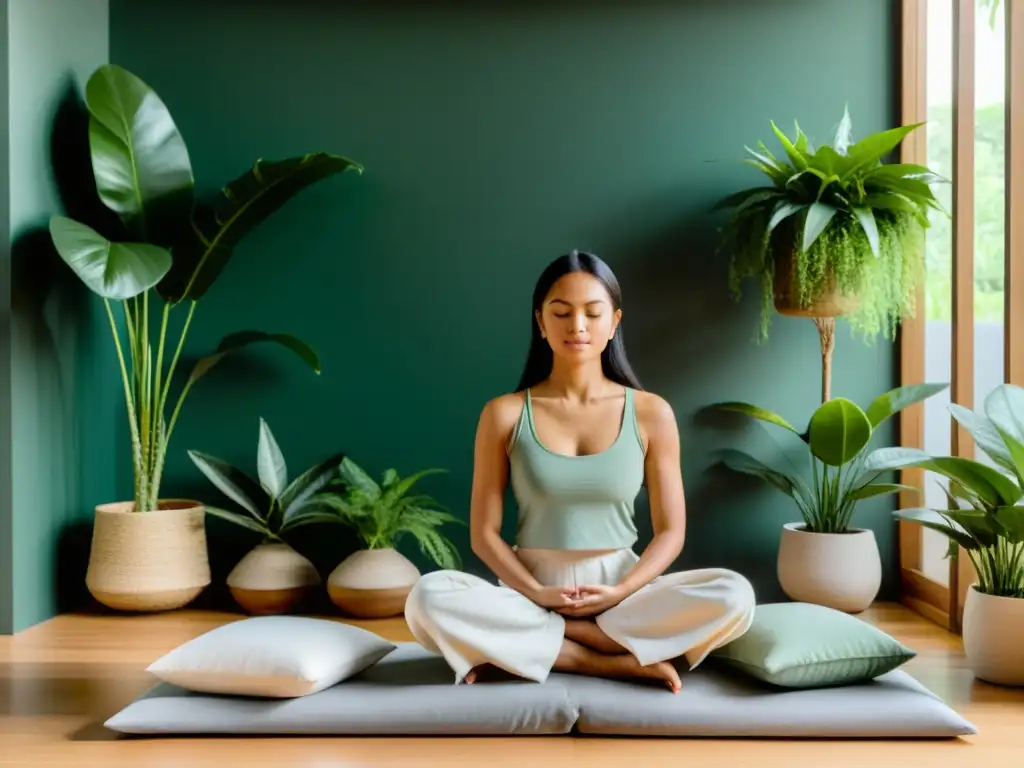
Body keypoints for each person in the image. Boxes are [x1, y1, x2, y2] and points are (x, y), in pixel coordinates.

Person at [404, 250, 755, 693]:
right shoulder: (504, 414)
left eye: (593, 312)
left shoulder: (651, 413)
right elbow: (484, 535)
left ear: (614, 322)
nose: (578, 327)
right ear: (540, 321)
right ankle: (604, 659)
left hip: (621, 594)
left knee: (735, 595)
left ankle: (534, 647)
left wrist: (620, 592)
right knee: (426, 598)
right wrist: (535, 593)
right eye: (562, 313)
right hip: (527, 591)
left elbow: (671, 533)